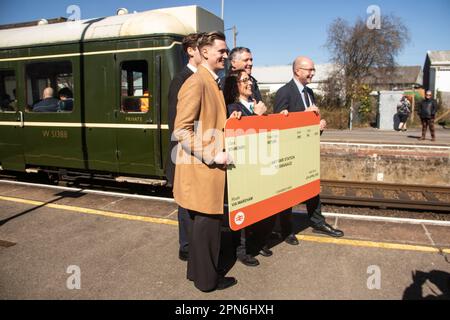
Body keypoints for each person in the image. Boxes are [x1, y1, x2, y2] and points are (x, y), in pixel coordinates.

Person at [173, 31, 239, 292]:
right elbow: (181, 130)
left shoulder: (210, 81)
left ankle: (197, 274)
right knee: (207, 228)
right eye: (221, 51)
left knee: (203, 229)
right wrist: (213, 154)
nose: (226, 55)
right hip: (204, 169)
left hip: (204, 171)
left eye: (226, 51)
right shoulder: (197, 82)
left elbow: (210, 121)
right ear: (204, 52)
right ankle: (208, 281)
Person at [273, 56, 344, 245]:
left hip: (307, 151)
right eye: (309, 70)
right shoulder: (284, 93)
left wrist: (317, 125)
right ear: (298, 71)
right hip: (290, 153)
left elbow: (309, 119)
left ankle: (318, 222)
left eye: (313, 70)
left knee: (312, 189)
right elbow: (279, 126)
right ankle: (285, 230)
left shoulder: (309, 92)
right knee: (287, 192)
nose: (312, 73)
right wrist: (303, 118)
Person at [223, 69, 272, 267]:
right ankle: (241, 250)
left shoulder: (256, 105)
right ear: (235, 86)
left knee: (259, 208)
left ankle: (256, 243)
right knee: (243, 210)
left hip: (258, 165)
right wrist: (255, 115)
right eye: (245, 81)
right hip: (242, 168)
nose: (250, 83)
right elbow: (245, 137)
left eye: (250, 80)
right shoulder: (231, 108)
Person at [165, 32, 204, 262]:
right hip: (187, 152)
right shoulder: (181, 80)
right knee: (186, 202)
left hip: (200, 149)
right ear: (191, 50)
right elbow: (178, 125)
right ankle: (186, 247)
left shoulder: (201, 78)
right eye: (203, 48)